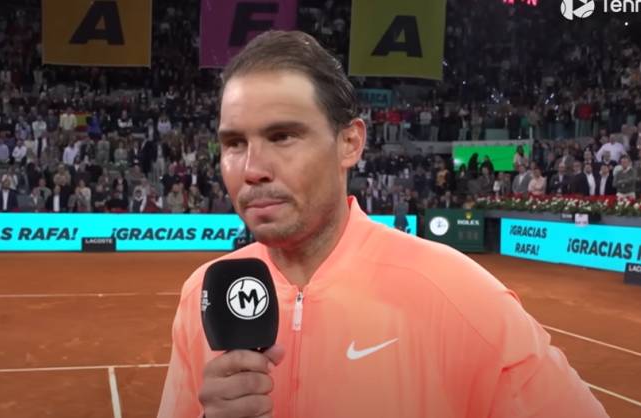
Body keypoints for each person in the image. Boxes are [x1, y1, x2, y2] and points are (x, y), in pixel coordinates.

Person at [158, 31, 607, 418]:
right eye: (234, 143)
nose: (252, 168)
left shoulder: (463, 296)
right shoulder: (203, 296)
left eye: (283, 136)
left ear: (350, 142)